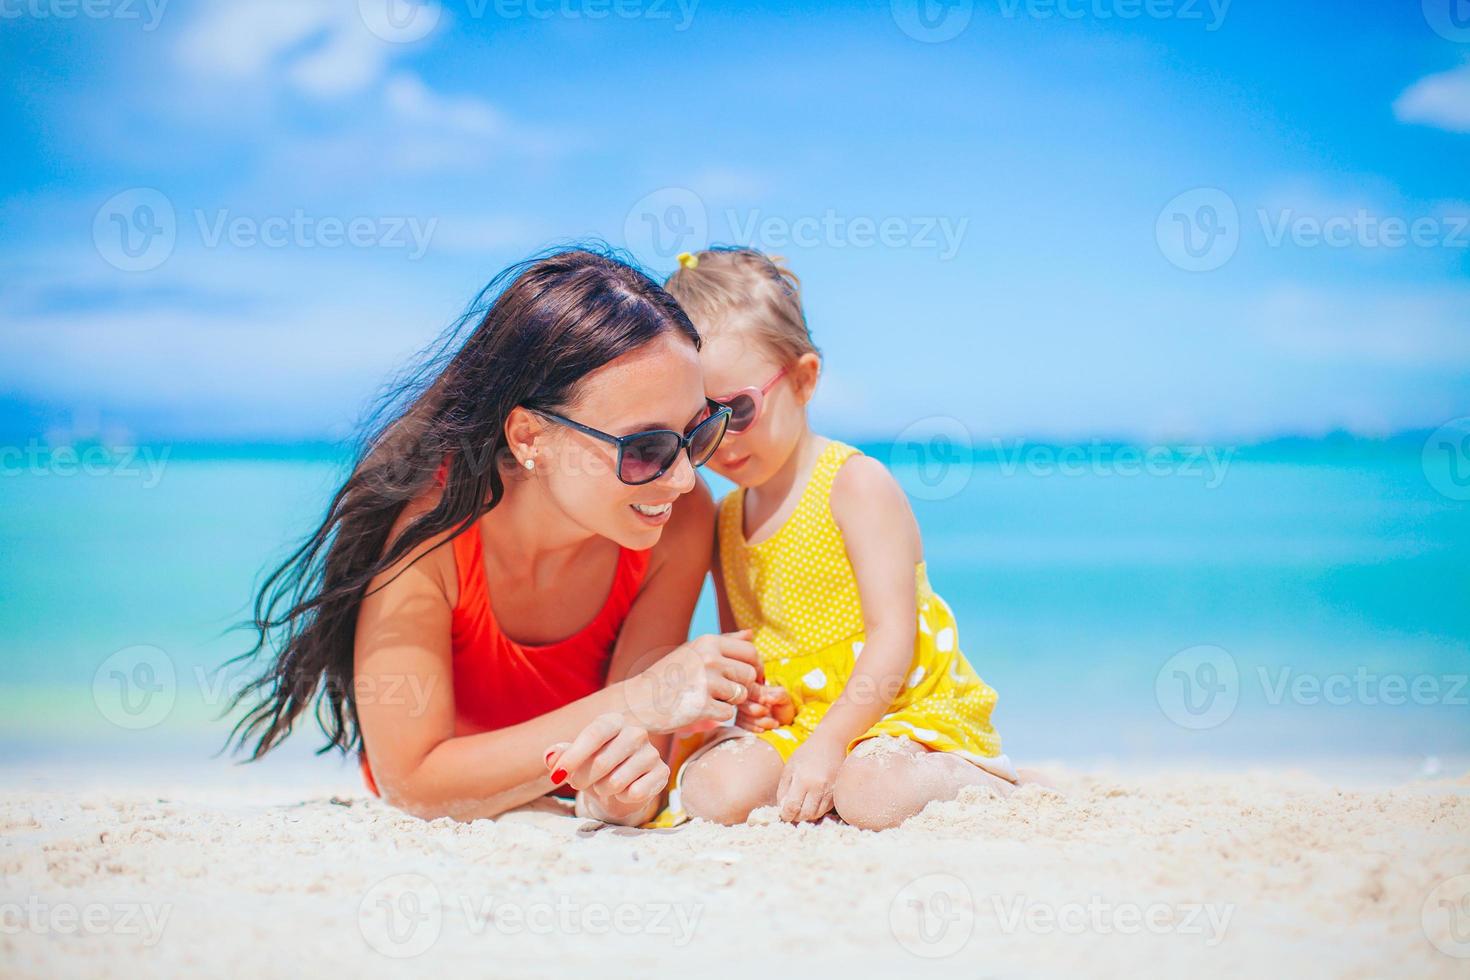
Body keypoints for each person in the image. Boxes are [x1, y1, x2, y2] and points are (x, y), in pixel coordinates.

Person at [231, 248, 759, 826]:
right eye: (645, 449)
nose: (684, 477)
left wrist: (622, 789)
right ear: (530, 437)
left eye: (697, 433)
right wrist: (639, 701)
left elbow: (634, 765)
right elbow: (412, 781)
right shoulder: (430, 537)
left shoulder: (676, 520)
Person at [663, 248, 1019, 831]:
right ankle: (828, 779)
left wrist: (831, 744)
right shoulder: (725, 520)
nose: (720, 438)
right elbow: (749, 651)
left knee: (870, 788)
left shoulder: (853, 484)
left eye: (739, 409)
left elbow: (894, 637)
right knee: (714, 791)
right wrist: (759, 698)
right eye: (698, 422)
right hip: (802, 720)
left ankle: (990, 778)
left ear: (804, 380)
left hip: (897, 707)